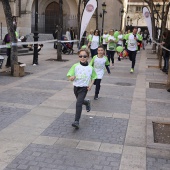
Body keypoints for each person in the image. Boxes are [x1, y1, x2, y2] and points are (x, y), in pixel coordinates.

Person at [67, 49, 97, 129]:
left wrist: (90, 85)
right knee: (80, 101)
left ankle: (76, 121)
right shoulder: (75, 66)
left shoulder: (90, 68)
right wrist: (71, 78)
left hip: (84, 88)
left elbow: (94, 77)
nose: (82, 58)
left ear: (88, 57)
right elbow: (69, 75)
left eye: (84, 56)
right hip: (76, 87)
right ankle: (87, 102)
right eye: (80, 56)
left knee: (78, 103)